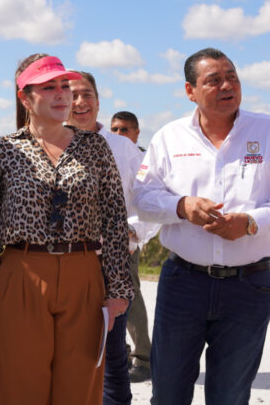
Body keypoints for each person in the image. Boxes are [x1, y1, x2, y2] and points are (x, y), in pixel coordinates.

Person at [132, 48, 270, 405]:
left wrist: (250, 223)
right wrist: (181, 207)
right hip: (183, 283)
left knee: (230, 396)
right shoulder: (169, 138)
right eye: (214, 80)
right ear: (190, 91)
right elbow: (143, 196)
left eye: (232, 77)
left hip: (249, 286)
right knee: (168, 393)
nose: (227, 85)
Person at [0, 54, 133, 405]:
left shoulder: (94, 147)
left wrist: (118, 288)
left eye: (65, 86)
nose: (64, 96)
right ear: (25, 98)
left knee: (79, 386)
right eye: (49, 88)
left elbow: (114, 218)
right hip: (22, 274)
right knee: (17, 386)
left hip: (85, 273)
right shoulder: (3, 150)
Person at [67, 73, 159, 402]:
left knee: (111, 357)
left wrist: (134, 232)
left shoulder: (124, 148)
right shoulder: (46, 144)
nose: (80, 102)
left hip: (110, 268)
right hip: (60, 268)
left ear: (98, 101)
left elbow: (150, 197)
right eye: (71, 94)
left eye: (87, 94)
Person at [110, 110, 154, 382]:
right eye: (114, 129)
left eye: (124, 129)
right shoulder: (105, 152)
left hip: (127, 241)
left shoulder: (144, 160)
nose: (118, 134)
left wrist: (133, 232)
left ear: (137, 133)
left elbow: (148, 202)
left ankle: (144, 357)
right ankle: (121, 352)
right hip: (100, 242)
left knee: (131, 297)